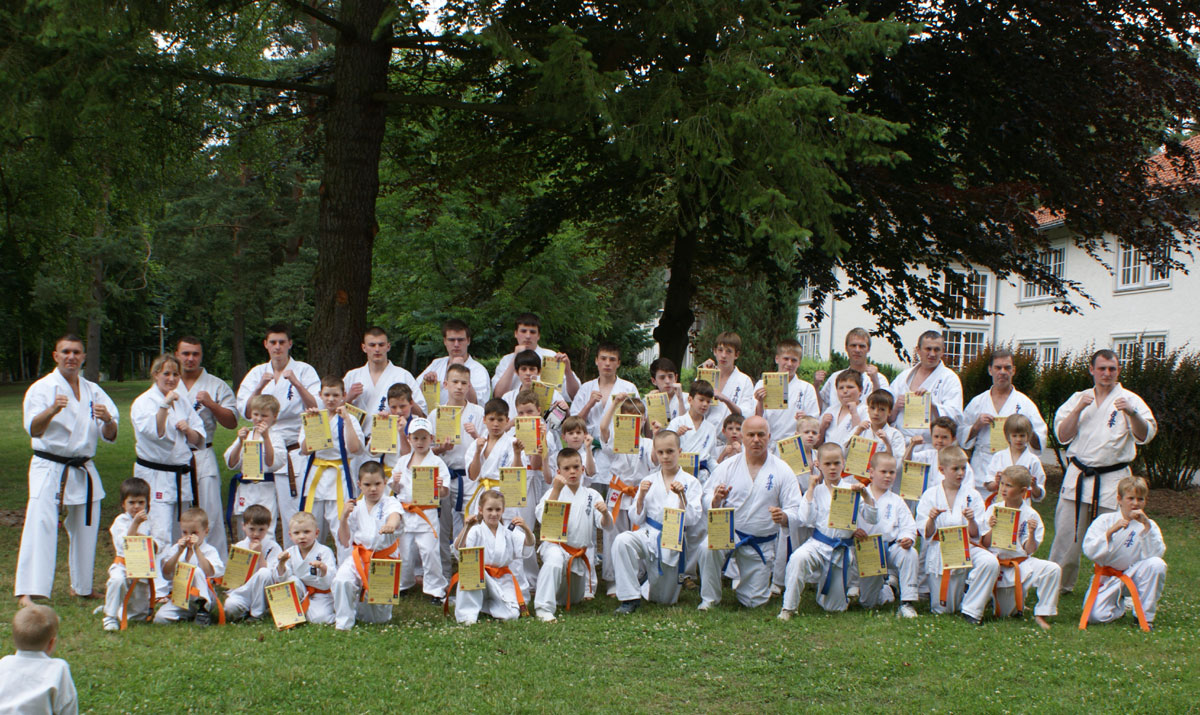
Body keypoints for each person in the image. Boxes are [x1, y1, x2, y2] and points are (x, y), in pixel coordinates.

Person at [16, 334, 119, 608]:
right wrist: (52, 410)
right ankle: (29, 590)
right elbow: (33, 429)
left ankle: (82, 587)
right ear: (56, 356)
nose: (71, 357)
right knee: (41, 525)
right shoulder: (42, 389)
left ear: (83, 357)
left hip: (83, 466)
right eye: (65, 352)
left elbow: (110, 433)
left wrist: (108, 419)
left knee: (87, 525)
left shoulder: (93, 390)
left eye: (76, 352)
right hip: (49, 465)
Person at [1048, 349, 1156, 592]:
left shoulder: (1130, 400)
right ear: (1092, 370)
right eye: (1102, 368)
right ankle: (1058, 585)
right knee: (1067, 536)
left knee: (1118, 534)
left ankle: (1113, 586)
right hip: (1079, 476)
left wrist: (1131, 413)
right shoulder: (1079, 398)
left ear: (1119, 370)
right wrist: (1077, 409)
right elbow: (1062, 436)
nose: (1107, 373)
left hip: (1113, 479)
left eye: (1112, 369)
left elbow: (1145, 436)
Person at [698, 416, 800, 610]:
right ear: (742, 438)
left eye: (761, 435)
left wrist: (784, 516)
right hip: (729, 531)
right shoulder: (728, 466)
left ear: (769, 437)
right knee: (706, 547)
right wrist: (716, 499)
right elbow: (706, 495)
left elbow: (795, 508)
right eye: (751, 435)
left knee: (754, 602)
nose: (756, 440)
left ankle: (748, 588)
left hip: (760, 540)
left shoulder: (782, 470)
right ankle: (709, 598)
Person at [235, 324, 321, 547]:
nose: (277, 347)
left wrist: (296, 383)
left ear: (290, 344)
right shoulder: (257, 373)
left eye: (282, 342)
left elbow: (316, 406)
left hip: (292, 451)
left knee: (292, 513)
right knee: (259, 513)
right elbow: (245, 411)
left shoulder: (304, 370)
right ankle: (259, 558)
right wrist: (260, 386)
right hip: (259, 452)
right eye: (273, 342)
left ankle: (292, 560)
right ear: (266, 344)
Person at [778, 443, 875, 619]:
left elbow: (872, 518)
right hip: (818, 544)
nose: (832, 468)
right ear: (818, 464)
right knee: (798, 558)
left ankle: (827, 594)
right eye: (827, 464)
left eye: (836, 463)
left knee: (834, 608)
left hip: (840, 549)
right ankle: (788, 608)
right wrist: (810, 489)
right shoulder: (816, 490)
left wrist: (865, 494)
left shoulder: (853, 490)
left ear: (843, 463)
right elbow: (805, 519)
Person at [612, 430, 703, 614]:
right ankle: (629, 598)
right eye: (660, 452)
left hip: (672, 539)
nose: (665, 456)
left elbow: (692, 519)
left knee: (663, 600)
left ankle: (648, 578)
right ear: (655, 452)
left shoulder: (691, 482)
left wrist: (682, 497)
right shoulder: (648, 480)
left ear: (679, 451)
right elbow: (636, 518)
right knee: (622, 541)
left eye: (670, 451)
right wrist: (641, 496)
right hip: (648, 533)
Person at [915, 446, 998, 625]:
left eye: (963, 468)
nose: (961, 473)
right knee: (944, 610)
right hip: (941, 549)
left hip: (967, 545)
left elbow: (976, 534)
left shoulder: (973, 495)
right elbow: (926, 534)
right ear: (942, 470)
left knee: (990, 562)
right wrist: (931, 519)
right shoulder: (930, 495)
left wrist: (972, 520)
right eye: (955, 469)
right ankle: (964, 594)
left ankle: (972, 610)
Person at [174, 336, 238, 557]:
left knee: (211, 512)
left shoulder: (215, 384)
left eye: (195, 354)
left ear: (201, 356)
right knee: (178, 510)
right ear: (177, 355)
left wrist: (211, 404)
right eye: (185, 353)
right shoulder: (169, 382)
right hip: (173, 456)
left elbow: (232, 422)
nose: (190, 358)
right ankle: (179, 561)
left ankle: (215, 565)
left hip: (203, 453)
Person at [131, 355, 206, 543]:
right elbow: (155, 433)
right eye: (166, 373)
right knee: (159, 532)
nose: (171, 379)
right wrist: (164, 405)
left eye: (176, 374)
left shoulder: (182, 400)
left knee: (182, 532)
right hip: (155, 476)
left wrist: (188, 430)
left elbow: (198, 437)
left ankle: (178, 562)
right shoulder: (143, 402)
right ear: (156, 374)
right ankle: (157, 563)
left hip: (180, 476)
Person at [533, 449, 613, 622]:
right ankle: (543, 608)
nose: (572, 472)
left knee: (573, 599)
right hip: (556, 546)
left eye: (576, 467)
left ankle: (556, 596)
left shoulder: (592, 495)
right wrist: (556, 490)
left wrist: (605, 513)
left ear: (582, 469)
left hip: (578, 554)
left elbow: (606, 525)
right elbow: (543, 519)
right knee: (554, 560)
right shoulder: (552, 492)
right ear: (559, 472)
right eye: (566, 468)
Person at [1080, 476, 1166, 630]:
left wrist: (1146, 528)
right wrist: (1110, 532)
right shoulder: (1105, 520)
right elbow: (1089, 550)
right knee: (1095, 616)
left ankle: (1144, 617)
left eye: (1140, 499)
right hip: (1108, 577)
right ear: (1119, 499)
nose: (1135, 503)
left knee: (1157, 564)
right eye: (1130, 498)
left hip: (1136, 575)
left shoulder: (1149, 524)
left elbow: (1156, 554)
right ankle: (1120, 607)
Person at [981, 466, 1061, 630]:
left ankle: (1041, 613)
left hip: (1021, 563)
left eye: (1009, 485)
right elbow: (985, 543)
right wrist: (992, 528)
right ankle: (992, 600)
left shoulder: (1030, 515)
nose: (1003, 489)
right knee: (1006, 613)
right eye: (1002, 484)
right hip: (998, 565)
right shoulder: (993, 510)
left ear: (1023, 491)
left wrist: (1031, 533)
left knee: (1052, 569)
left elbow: (1029, 550)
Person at [427, 364, 486, 575]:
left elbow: (488, 446)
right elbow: (425, 450)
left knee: (471, 527)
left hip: (469, 478)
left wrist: (476, 435)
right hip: (443, 476)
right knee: (441, 529)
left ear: (469, 386)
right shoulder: (435, 414)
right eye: (455, 382)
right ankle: (443, 575)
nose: (459, 387)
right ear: (445, 384)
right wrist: (440, 448)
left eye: (463, 383)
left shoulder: (479, 413)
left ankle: (469, 575)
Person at [298, 376, 364, 560]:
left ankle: (345, 568)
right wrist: (313, 424)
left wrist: (347, 420)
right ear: (320, 395)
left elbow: (355, 448)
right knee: (310, 525)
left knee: (341, 525)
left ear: (343, 395)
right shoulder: (313, 417)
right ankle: (310, 567)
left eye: (335, 395)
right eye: (327, 395)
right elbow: (304, 449)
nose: (331, 399)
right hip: (316, 476)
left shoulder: (350, 419)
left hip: (340, 476)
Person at [331, 462, 403, 630]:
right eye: (367, 484)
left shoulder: (391, 502)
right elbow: (344, 540)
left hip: (384, 558)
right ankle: (343, 623)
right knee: (342, 580)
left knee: (379, 618)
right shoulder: (355, 506)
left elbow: (395, 516)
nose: (373, 489)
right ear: (359, 485)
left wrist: (390, 525)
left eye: (377, 484)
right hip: (359, 557)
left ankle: (361, 607)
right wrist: (343, 517)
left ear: (385, 482)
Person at [959, 348, 1048, 478]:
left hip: (1013, 469)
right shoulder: (978, 402)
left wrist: (1027, 429)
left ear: (1013, 370)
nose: (1002, 372)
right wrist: (976, 426)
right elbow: (961, 436)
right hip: (982, 468)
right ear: (990, 370)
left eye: (1007, 368)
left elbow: (1039, 442)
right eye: (998, 367)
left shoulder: (1025, 404)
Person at [598, 396, 656, 596]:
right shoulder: (617, 440)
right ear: (620, 418)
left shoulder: (648, 443)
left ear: (644, 419)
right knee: (613, 535)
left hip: (639, 494)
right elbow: (603, 428)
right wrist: (614, 404)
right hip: (618, 492)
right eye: (627, 416)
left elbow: (655, 460)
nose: (632, 421)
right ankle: (613, 578)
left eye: (637, 417)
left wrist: (656, 434)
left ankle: (638, 576)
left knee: (639, 534)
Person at [390, 417, 451, 604]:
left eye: (424, 438)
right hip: (406, 514)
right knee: (405, 552)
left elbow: (444, 493)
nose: (420, 442)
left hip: (427, 514)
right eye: (415, 438)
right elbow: (395, 490)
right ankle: (403, 584)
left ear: (431, 438)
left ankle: (436, 590)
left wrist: (440, 487)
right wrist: (395, 482)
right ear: (409, 439)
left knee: (430, 552)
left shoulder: (437, 462)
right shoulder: (402, 461)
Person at [452, 491, 535, 625]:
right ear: (480, 510)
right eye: (489, 509)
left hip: (502, 578)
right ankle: (468, 615)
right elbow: (460, 550)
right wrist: (466, 528)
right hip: (479, 575)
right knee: (470, 571)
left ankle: (487, 607)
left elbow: (527, 546)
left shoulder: (508, 532)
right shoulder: (476, 530)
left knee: (512, 615)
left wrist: (526, 529)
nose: (494, 514)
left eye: (498, 509)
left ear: (503, 510)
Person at [855, 453, 920, 618]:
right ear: (871, 472)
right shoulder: (859, 495)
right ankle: (886, 589)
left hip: (891, 547)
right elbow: (847, 521)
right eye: (883, 471)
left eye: (891, 472)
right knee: (868, 603)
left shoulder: (896, 500)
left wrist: (907, 538)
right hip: (867, 550)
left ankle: (907, 602)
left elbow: (908, 525)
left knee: (909, 553)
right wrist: (853, 532)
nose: (887, 476)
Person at [102, 477, 170, 631]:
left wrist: (146, 539)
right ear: (123, 504)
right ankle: (110, 617)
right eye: (131, 502)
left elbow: (159, 544)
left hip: (142, 568)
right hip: (123, 565)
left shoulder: (152, 521)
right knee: (117, 580)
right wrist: (135, 525)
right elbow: (124, 544)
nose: (136, 506)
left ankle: (115, 606)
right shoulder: (120, 521)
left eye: (141, 502)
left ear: (147, 503)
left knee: (138, 616)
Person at [569, 342, 639, 479]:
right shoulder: (586, 388)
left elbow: (638, 422)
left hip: (620, 452)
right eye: (603, 358)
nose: (607, 363)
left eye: (612, 359)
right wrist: (589, 404)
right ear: (596, 361)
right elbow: (573, 424)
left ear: (618, 363)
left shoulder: (628, 388)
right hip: (591, 451)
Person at [224, 395, 286, 538]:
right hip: (246, 488)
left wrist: (266, 438)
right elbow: (231, 463)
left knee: (266, 531)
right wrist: (240, 442)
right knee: (245, 529)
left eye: (264, 415)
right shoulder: (246, 434)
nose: (259, 419)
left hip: (265, 489)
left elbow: (272, 463)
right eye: (256, 414)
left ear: (274, 417)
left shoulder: (275, 437)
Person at [888, 330, 964, 444]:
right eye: (928, 349)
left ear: (943, 351)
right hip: (901, 443)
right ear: (918, 350)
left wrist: (932, 405)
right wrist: (896, 407)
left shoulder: (950, 378)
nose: (932, 354)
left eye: (936, 349)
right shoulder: (903, 377)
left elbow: (955, 418)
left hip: (931, 445)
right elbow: (885, 413)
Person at [0, 605, 77, 715]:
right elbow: (67, 706)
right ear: (51, 643)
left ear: (14, 640)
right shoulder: (58, 669)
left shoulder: (4, 663)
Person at [154, 507, 226, 625]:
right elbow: (166, 573)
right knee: (160, 618)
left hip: (206, 596)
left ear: (206, 531)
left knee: (195, 571)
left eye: (194, 533)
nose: (189, 536)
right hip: (182, 596)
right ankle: (188, 615)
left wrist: (196, 549)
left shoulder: (209, 550)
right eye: (185, 532)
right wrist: (178, 552)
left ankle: (203, 610)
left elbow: (208, 572)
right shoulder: (177, 549)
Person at [492, 313, 580, 400]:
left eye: (532, 332)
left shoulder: (552, 357)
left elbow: (576, 395)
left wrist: (568, 371)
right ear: (516, 333)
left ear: (538, 336)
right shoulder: (506, 360)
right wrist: (515, 358)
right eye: (523, 331)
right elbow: (498, 396)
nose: (528, 336)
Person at [753, 339, 819, 453]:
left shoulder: (807, 388)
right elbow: (755, 418)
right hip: (767, 443)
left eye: (794, 360)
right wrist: (760, 402)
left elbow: (814, 422)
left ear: (799, 362)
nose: (789, 364)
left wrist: (805, 419)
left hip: (793, 445)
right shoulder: (762, 384)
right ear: (777, 359)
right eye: (786, 359)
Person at [343, 326, 426, 418]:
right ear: (364, 347)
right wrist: (348, 398)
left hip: (394, 427)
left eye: (381, 345)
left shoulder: (403, 375)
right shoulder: (352, 376)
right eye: (372, 345)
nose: (377, 349)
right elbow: (334, 412)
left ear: (388, 346)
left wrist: (406, 400)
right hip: (357, 428)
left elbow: (422, 414)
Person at [272, 512, 336, 626]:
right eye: (296, 533)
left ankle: (305, 611)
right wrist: (281, 563)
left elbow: (329, 582)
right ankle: (297, 610)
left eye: (306, 532)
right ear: (290, 535)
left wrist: (323, 569)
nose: (302, 536)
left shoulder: (324, 552)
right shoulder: (290, 553)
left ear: (316, 533)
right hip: (299, 592)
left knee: (320, 618)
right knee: (292, 580)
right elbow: (281, 579)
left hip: (320, 594)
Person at [221, 505, 283, 622]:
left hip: (263, 591)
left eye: (261, 530)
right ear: (243, 526)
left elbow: (270, 576)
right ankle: (244, 611)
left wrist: (259, 554)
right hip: (244, 589)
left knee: (264, 572)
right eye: (252, 529)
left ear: (268, 528)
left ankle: (257, 613)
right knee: (230, 607)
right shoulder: (240, 546)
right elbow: (233, 579)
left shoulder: (273, 547)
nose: (256, 534)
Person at [416, 318, 492, 406]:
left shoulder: (478, 370)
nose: (456, 344)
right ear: (445, 341)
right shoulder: (436, 364)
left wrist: (462, 372)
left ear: (468, 341)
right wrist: (425, 383)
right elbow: (414, 394)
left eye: (460, 340)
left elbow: (477, 404)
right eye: (451, 340)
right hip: (436, 414)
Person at [980, 414, 1046, 506]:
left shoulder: (1033, 460)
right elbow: (989, 486)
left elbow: (1038, 495)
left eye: (1022, 435)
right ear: (1008, 436)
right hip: (1000, 504)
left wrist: (1034, 486)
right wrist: (997, 482)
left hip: (1023, 506)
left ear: (1028, 436)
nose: (1018, 439)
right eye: (1014, 436)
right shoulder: (999, 457)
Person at [814, 328, 887, 410]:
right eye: (853, 345)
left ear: (868, 349)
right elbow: (820, 408)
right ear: (846, 348)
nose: (857, 350)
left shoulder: (879, 379)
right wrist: (816, 387)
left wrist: (875, 382)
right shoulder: (835, 377)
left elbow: (883, 408)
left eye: (862, 346)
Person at [697, 332, 756, 431]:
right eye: (720, 350)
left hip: (731, 436)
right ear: (714, 351)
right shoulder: (704, 376)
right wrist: (704, 375)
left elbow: (746, 414)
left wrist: (726, 400)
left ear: (736, 355)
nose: (723, 355)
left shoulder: (744, 380)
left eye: (729, 351)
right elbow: (694, 407)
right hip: (704, 434)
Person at [666, 380, 718, 483]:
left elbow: (711, 457)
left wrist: (719, 472)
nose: (705, 404)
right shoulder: (677, 422)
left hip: (702, 476)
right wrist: (676, 435)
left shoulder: (710, 428)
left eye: (708, 401)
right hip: (679, 473)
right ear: (690, 400)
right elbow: (664, 446)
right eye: (701, 400)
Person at [848, 390, 907, 457]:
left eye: (882, 409)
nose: (876, 413)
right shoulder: (860, 429)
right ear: (868, 409)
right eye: (872, 408)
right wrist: (857, 433)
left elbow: (898, 461)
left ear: (889, 412)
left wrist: (887, 443)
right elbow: (844, 453)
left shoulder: (895, 435)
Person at [817, 370, 866, 447]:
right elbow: (816, 444)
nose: (845, 391)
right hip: (826, 453)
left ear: (860, 390)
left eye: (850, 387)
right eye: (841, 388)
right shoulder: (831, 410)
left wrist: (854, 414)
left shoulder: (865, 411)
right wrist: (823, 427)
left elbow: (860, 442)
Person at [648, 357, 688, 423]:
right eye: (662, 377)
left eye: (670, 376)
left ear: (676, 378)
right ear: (653, 381)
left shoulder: (687, 398)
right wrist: (651, 406)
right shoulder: (648, 400)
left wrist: (680, 400)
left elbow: (686, 425)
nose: (667, 381)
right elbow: (647, 429)